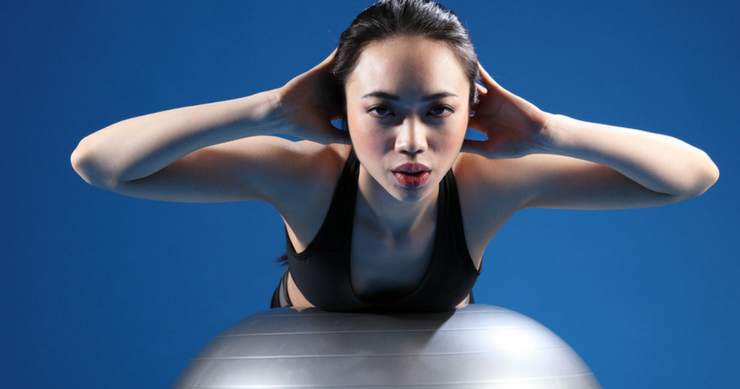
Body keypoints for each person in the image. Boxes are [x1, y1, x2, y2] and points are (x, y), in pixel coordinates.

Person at [71, 0, 719, 312]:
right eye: (381, 109)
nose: (411, 140)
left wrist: (551, 131)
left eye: (438, 109)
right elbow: (101, 162)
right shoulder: (304, 176)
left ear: (471, 109)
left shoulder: (489, 184)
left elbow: (691, 177)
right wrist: (266, 108)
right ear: (342, 110)